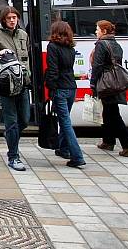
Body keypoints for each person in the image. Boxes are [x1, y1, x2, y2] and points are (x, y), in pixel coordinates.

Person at [0, 7, 30, 171]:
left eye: (14, 17)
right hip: (6, 85)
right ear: (3, 20)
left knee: (24, 119)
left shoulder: (23, 35)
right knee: (12, 122)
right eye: (9, 17)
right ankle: (13, 157)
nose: (12, 20)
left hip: (22, 83)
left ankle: (10, 136)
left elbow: (27, 57)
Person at [91, 20, 128, 157]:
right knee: (109, 112)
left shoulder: (101, 44)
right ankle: (108, 141)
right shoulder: (116, 44)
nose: (96, 32)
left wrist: (93, 83)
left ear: (104, 31)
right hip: (115, 82)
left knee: (113, 114)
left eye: (97, 29)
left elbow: (97, 66)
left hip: (106, 83)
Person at [45, 20, 86, 167]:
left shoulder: (53, 47)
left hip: (60, 88)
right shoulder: (70, 47)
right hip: (71, 88)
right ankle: (63, 149)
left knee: (65, 123)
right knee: (65, 120)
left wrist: (50, 87)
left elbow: (53, 70)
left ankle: (77, 156)